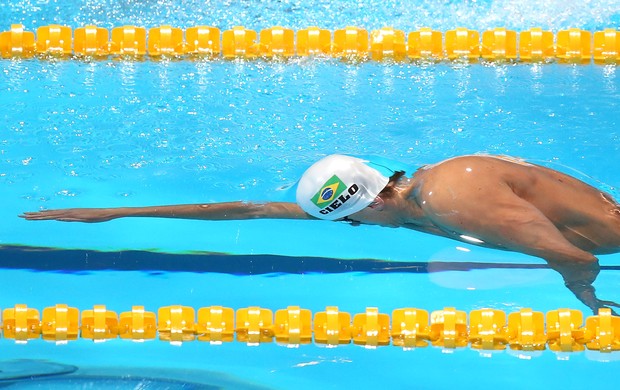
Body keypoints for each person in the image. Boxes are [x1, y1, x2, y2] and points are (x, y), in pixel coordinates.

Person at [20, 154, 620, 314]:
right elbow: (251, 211)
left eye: (350, 219)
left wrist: (585, 298)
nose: (353, 229)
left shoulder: (457, 201)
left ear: (374, 196)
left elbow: (575, 258)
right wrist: (123, 215)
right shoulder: (407, 199)